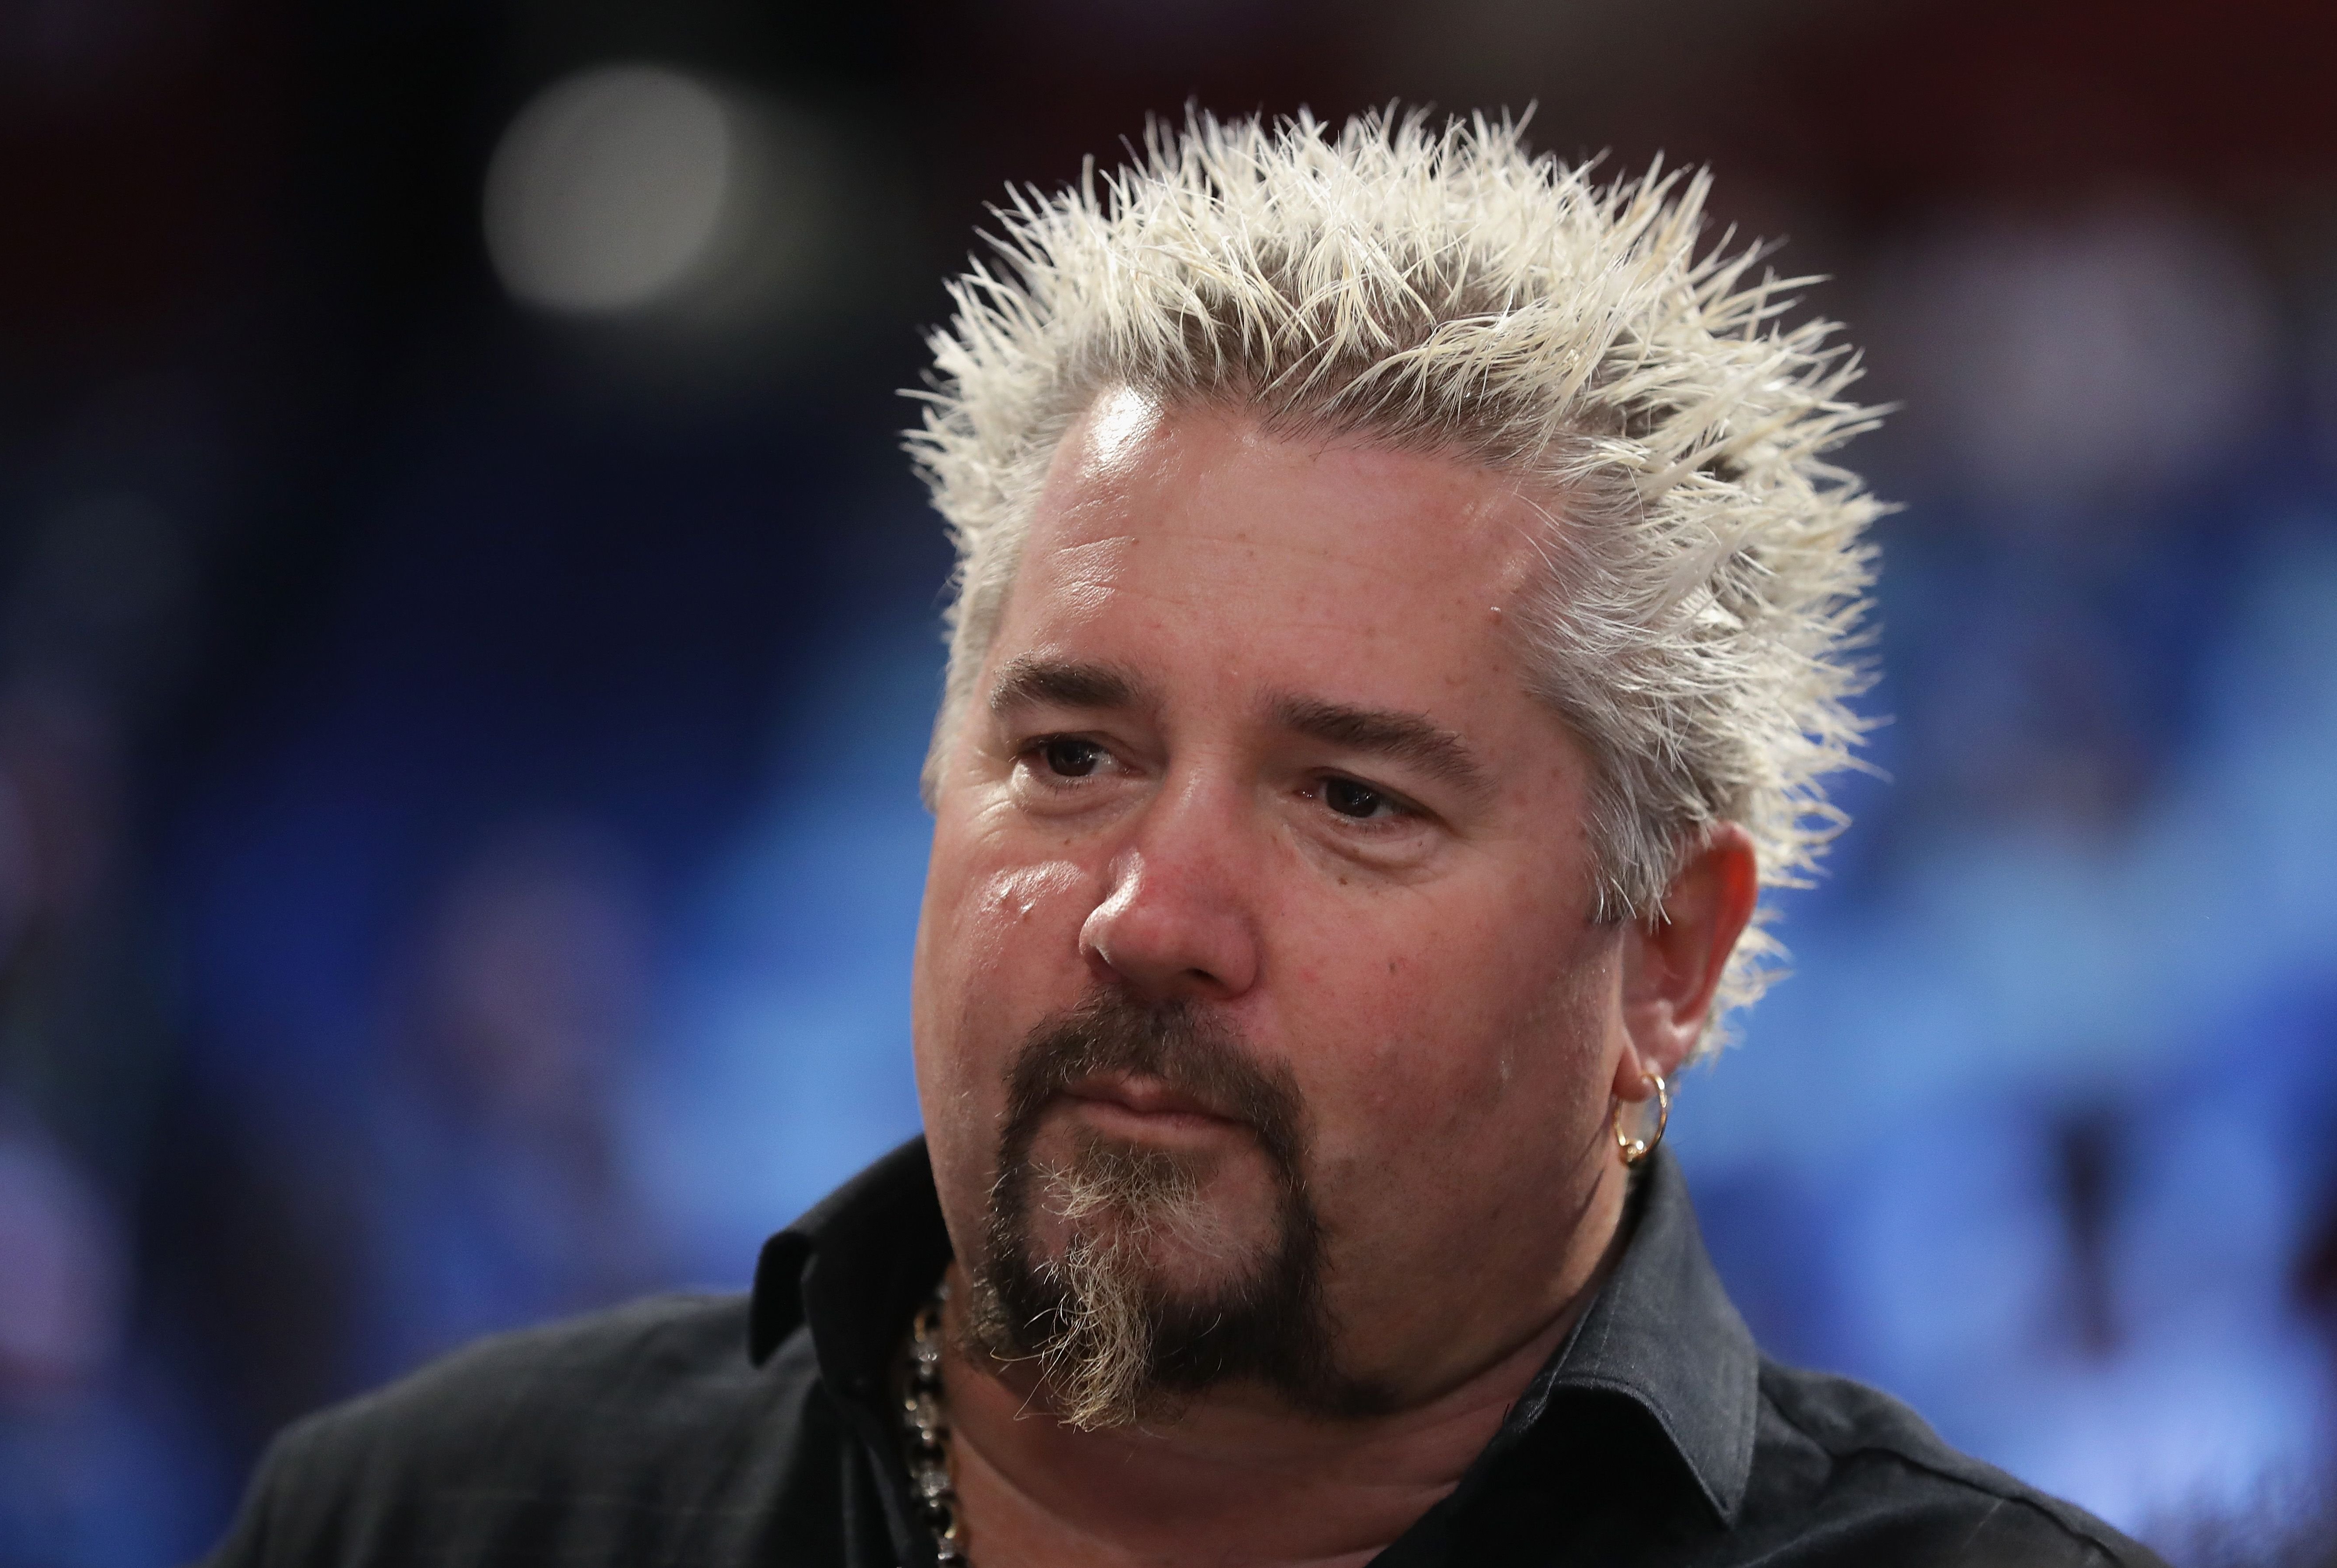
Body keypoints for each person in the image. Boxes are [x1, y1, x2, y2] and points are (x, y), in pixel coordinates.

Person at [202, 111, 2165, 1568]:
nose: (1151, 915)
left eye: (1350, 797)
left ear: (1665, 952)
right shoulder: (426, 1523)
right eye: (1069, 752)